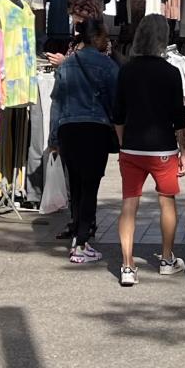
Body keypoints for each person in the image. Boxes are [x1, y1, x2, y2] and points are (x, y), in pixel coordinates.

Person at [111, 15, 185, 286]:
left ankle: (127, 265)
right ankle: (167, 259)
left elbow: (118, 114)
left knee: (128, 204)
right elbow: (179, 118)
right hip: (162, 148)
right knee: (166, 201)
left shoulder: (126, 70)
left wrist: (123, 144)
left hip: (132, 146)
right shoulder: (170, 72)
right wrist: (184, 150)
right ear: (163, 38)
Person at [51, 17, 119, 264]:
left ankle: (78, 233)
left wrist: (53, 137)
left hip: (69, 129)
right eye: (105, 36)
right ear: (97, 37)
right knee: (90, 186)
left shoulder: (66, 65)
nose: (107, 41)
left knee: (77, 184)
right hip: (95, 130)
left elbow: (56, 103)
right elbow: (116, 102)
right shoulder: (108, 65)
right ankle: (81, 241)